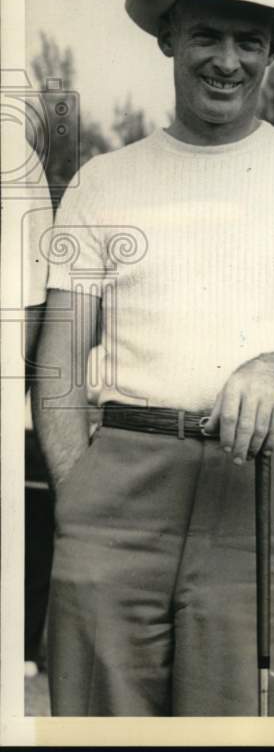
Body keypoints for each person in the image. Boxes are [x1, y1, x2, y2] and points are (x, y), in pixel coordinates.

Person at [31, 0, 274, 716]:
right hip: (118, 487)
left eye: (249, 40)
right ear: (168, 38)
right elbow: (59, 359)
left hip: (262, 482)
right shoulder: (100, 180)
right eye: (206, 35)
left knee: (244, 723)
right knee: (99, 723)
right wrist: (78, 489)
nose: (227, 60)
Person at [2, 129, 55, 677]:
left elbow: (27, 304)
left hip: (22, 428)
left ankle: (21, 646)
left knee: (35, 530)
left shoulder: (12, 157)